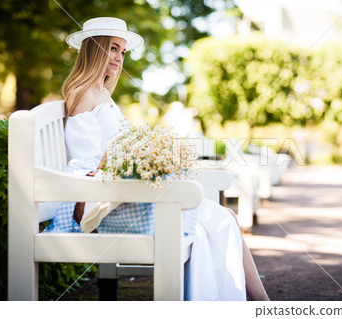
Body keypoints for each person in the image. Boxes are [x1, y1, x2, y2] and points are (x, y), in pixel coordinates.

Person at [44, 17, 269, 301]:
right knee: (225, 220)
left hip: (122, 195)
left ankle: (257, 304)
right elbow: (88, 164)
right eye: (113, 48)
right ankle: (261, 305)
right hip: (106, 204)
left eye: (122, 52)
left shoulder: (101, 94)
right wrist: (132, 157)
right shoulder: (84, 94)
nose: (118, 57)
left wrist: (149, 154)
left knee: (226, 219)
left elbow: (112, 151)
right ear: (95, 49)